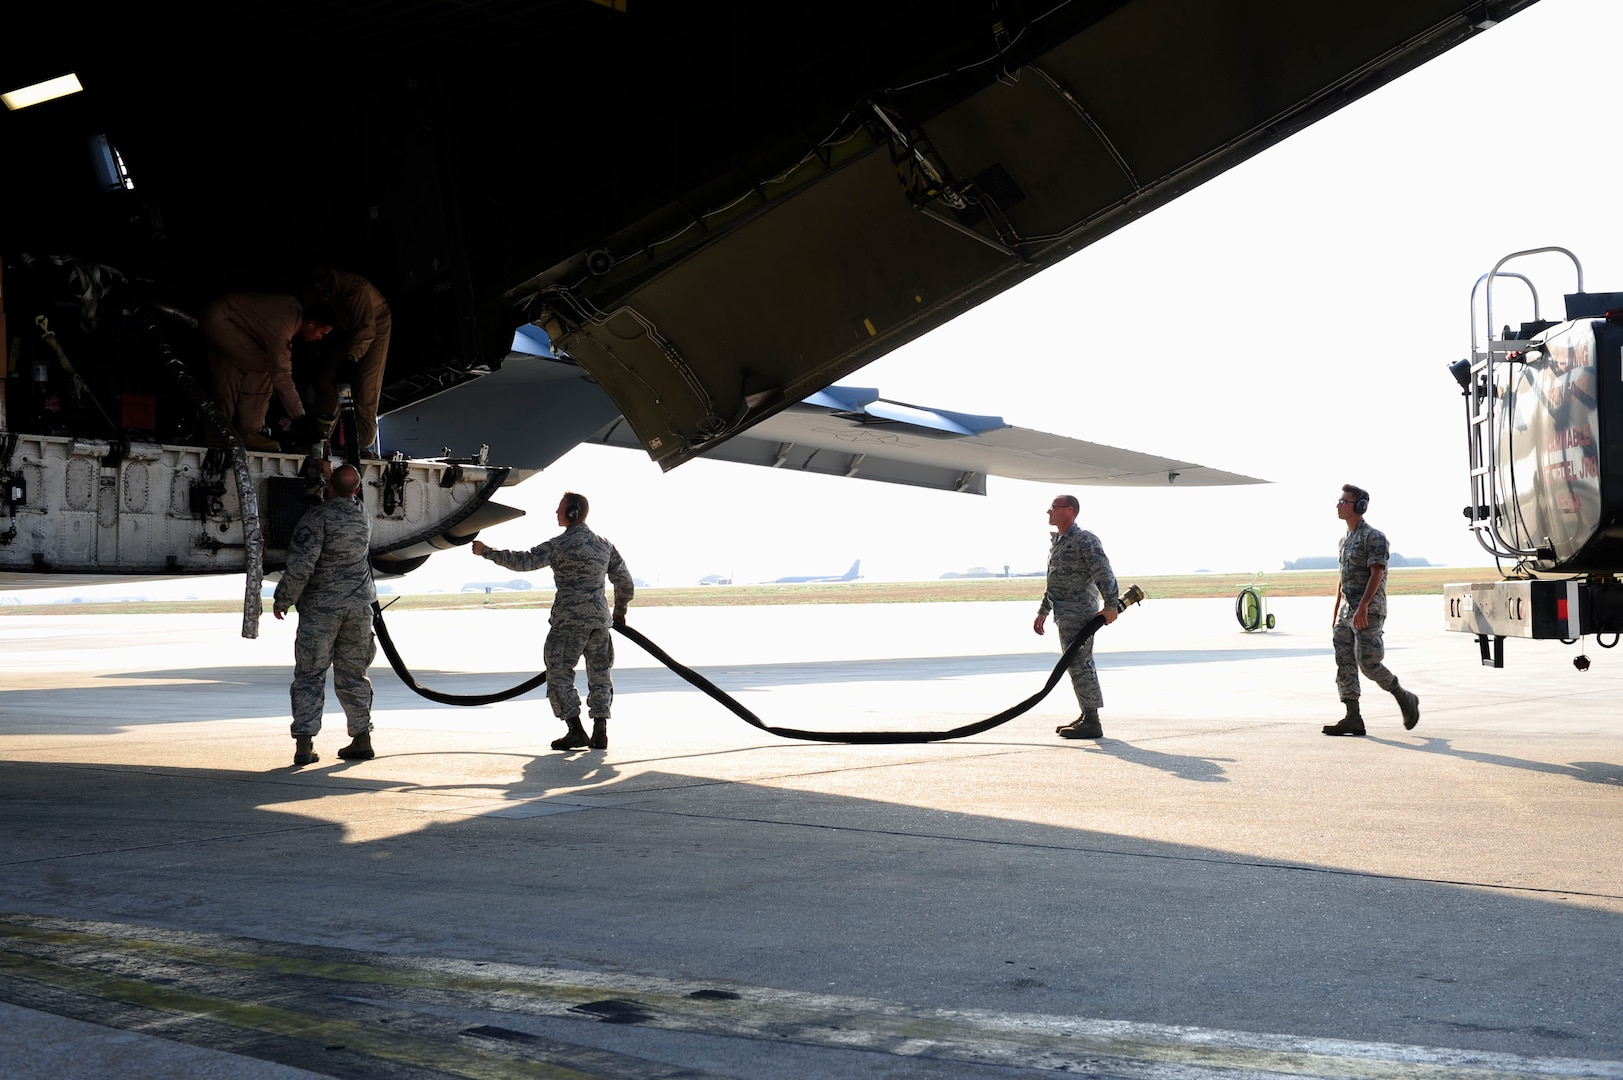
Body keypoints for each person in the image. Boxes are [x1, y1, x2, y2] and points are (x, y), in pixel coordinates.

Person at [471, 492, 633, 751]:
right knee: (600, 675)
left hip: (569, 623)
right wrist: (620, 610)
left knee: (558, 673)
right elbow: (624, 580)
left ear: (571, 513)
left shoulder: (559, 545)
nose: (556, 513)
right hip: (599, 623)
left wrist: (487, 552)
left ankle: (575, 730)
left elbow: (524, 561)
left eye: (560, 509)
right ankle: (600, 730)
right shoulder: (605, 545)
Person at [273, 462, 378, 765]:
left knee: (309, 675)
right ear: (357, 490)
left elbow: (302, 565)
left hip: (322, 609)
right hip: (358, 609)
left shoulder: (317, 517)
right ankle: (362, 739)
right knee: (354, 675)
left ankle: (305, 745)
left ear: (328, 486)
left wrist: (284, 598)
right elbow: (347, 489)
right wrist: (332, 474)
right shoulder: (362, 514)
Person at [1323, 484, 1420, 736]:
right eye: (1340, 500)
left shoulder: (1373, 537)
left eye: (1344, 501)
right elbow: (1342, 578)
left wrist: (1364, 606)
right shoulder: (1344, 540)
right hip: (1346, 612)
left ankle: (1404, 697)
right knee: (1344, 663)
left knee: (1368, 663)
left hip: (1369, 610)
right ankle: (1352, 716)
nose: (1338, 505)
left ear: (1359, 506)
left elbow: (1377, 572)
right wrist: (1336, 611)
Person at [1034, 494, 1120, 740]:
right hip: (1064, 613)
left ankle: (1092, 720)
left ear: (1069, 510)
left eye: (1053, 507)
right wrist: (1044, 610)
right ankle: (1086, 715)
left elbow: (1103, 572)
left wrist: (1111, 604)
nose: (1048, 511)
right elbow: (1054, 580)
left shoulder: (1085, 539)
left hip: (1080, 612)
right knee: (1075, 665)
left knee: (1080, 664)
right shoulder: (1059, 542)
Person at [201, 292, 330, 451]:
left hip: (217, 317)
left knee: (230, 375)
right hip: (223, 320)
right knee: (264, 367)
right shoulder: (285, 327)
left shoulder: (292, 306)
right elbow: (282, 376)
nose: (320, 338)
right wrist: (299, 418)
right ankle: (249, 433)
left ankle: (216, 434)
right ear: (311, 324)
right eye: (322, 333)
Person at [306, 265, 391, 454]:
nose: (318, 286)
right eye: (314, 283)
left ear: (330, 275)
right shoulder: (318, 291)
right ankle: (319, 441)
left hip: (374, 326)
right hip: (341, 330)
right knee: (327, 381)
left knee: (366, 385)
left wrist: (351, 358)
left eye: (321, 281)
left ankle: (360, 445)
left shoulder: (355, 290)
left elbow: (366, 330)